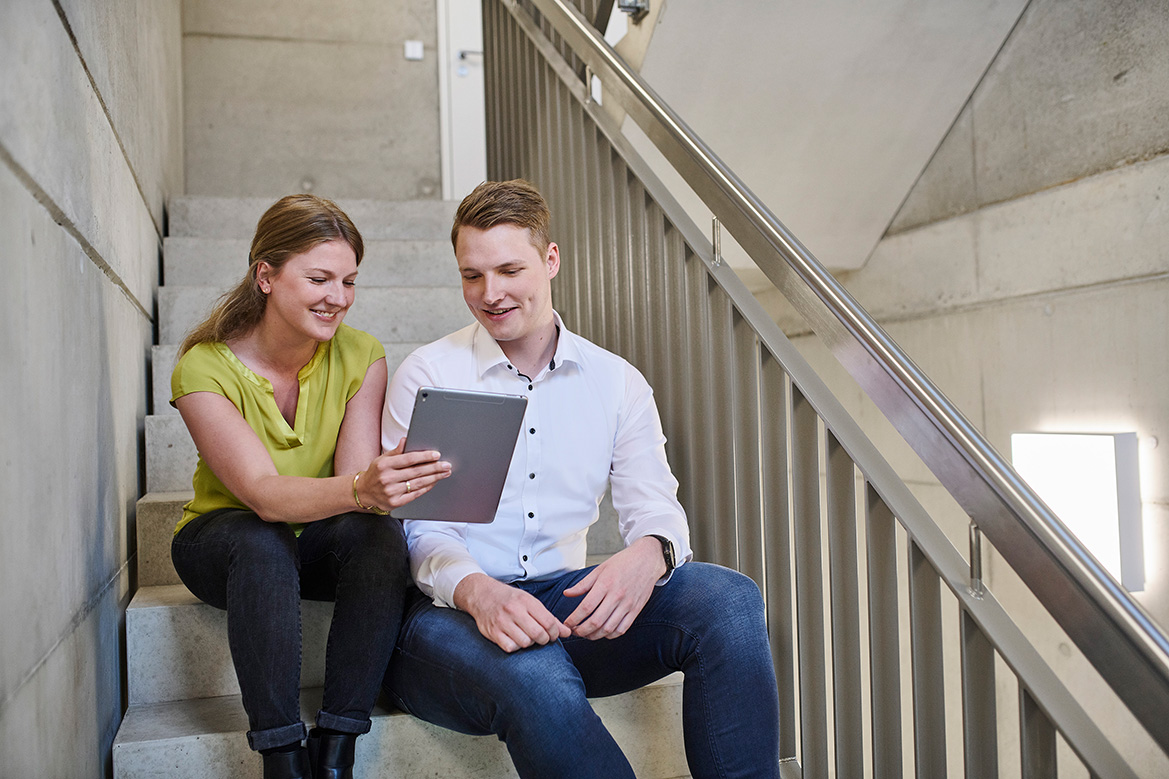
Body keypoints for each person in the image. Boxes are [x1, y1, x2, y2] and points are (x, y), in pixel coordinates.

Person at [381, 180, 781, 778]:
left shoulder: (616, 382)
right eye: (472, 275)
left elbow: (657, 509)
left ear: (551, 260)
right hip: (445, 619)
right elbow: (419, 529)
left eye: (510, 269)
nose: (490, 294)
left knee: (729, 601)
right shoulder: (431, 374)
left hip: (561, 603)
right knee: (535, 670)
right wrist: (480, 593)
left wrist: (648, 554)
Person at [170, 194, 451, 779]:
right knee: (260, 538)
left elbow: (350, 490)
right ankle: (280, 756)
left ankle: (337, 746)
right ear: (265, 276)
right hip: (221, 543)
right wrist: (361, 488)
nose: (338, 298)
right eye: (320, 278)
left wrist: (379, 485)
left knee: (376, 540)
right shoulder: (204, 365)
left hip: (312, 540)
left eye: (349, 281)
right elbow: (263, 495)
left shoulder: (362, 354)